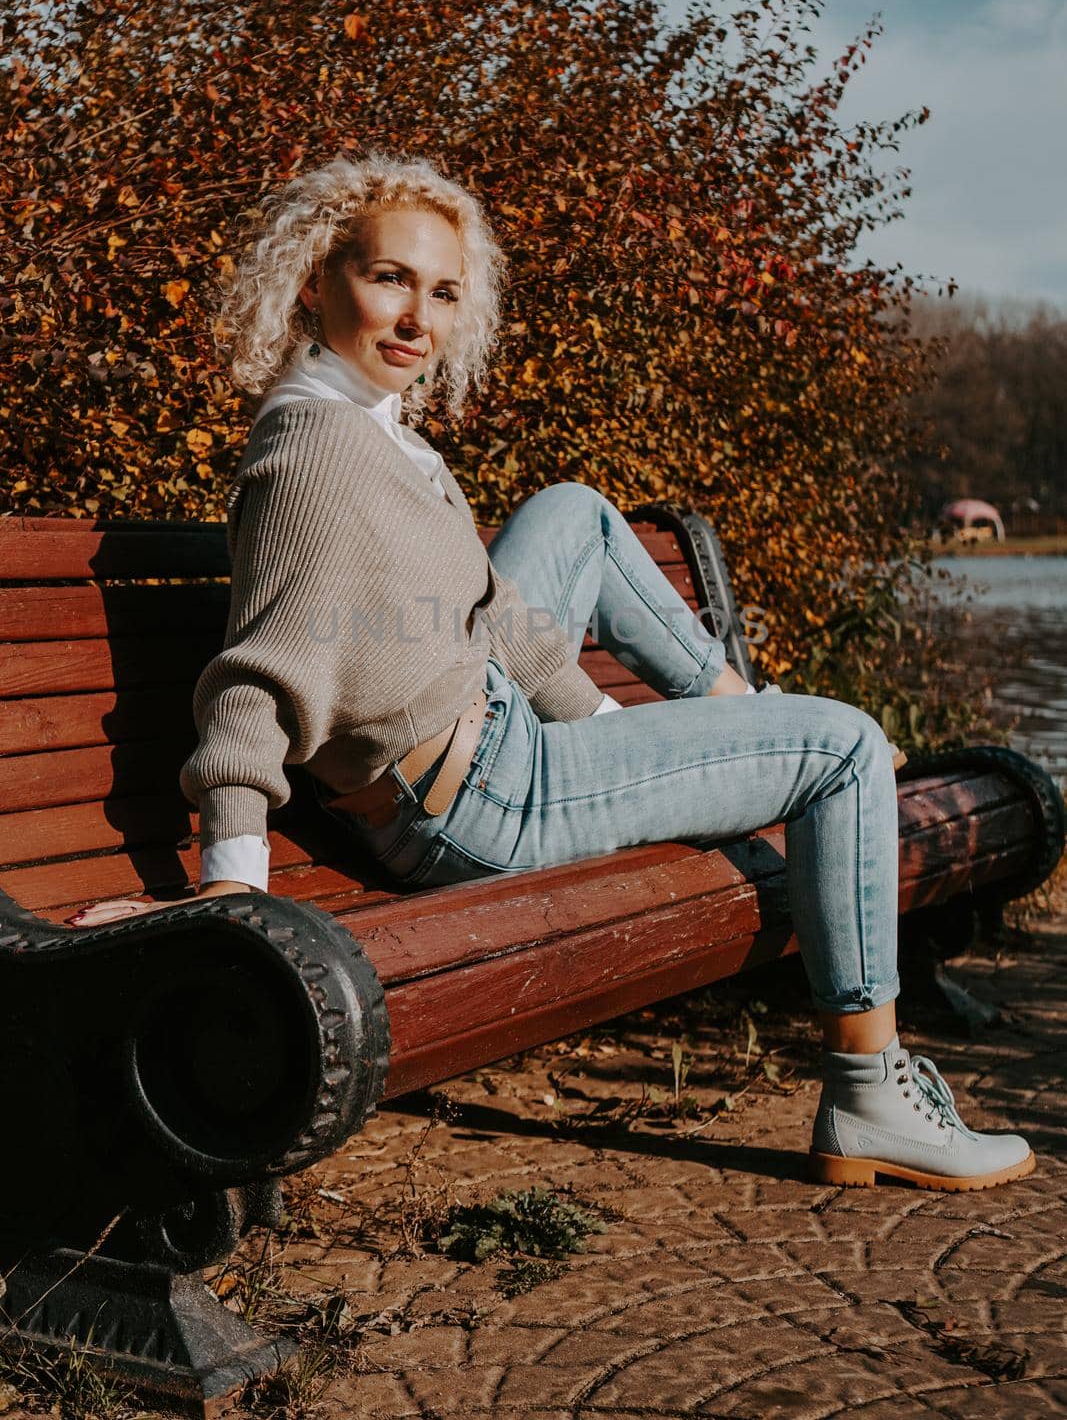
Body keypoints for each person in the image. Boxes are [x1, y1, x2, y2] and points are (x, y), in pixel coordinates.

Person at [69, 152, 1035, 1194]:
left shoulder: (374, 432)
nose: (416, 320)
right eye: (388, 279)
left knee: (572, 508)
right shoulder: (320, 455)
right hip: (486, 800)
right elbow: (256, 685)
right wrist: (230, 894)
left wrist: (605, 739)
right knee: (842, 746)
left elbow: (494, 624)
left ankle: (738, 712)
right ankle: (867, 1093)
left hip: (492, 739)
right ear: (315, 281)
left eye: (441, 293)